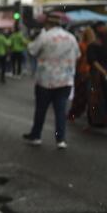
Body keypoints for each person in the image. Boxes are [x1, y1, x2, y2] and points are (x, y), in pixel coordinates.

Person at [21, 13, 79, 149]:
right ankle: (61, 140)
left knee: (41, 110)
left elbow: (32, 50)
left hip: (46, 80)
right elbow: (78, 55)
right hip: (65, 80)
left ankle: (36, 136)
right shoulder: (71, 37)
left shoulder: (44, 36)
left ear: (47, 23)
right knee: (60, 111)